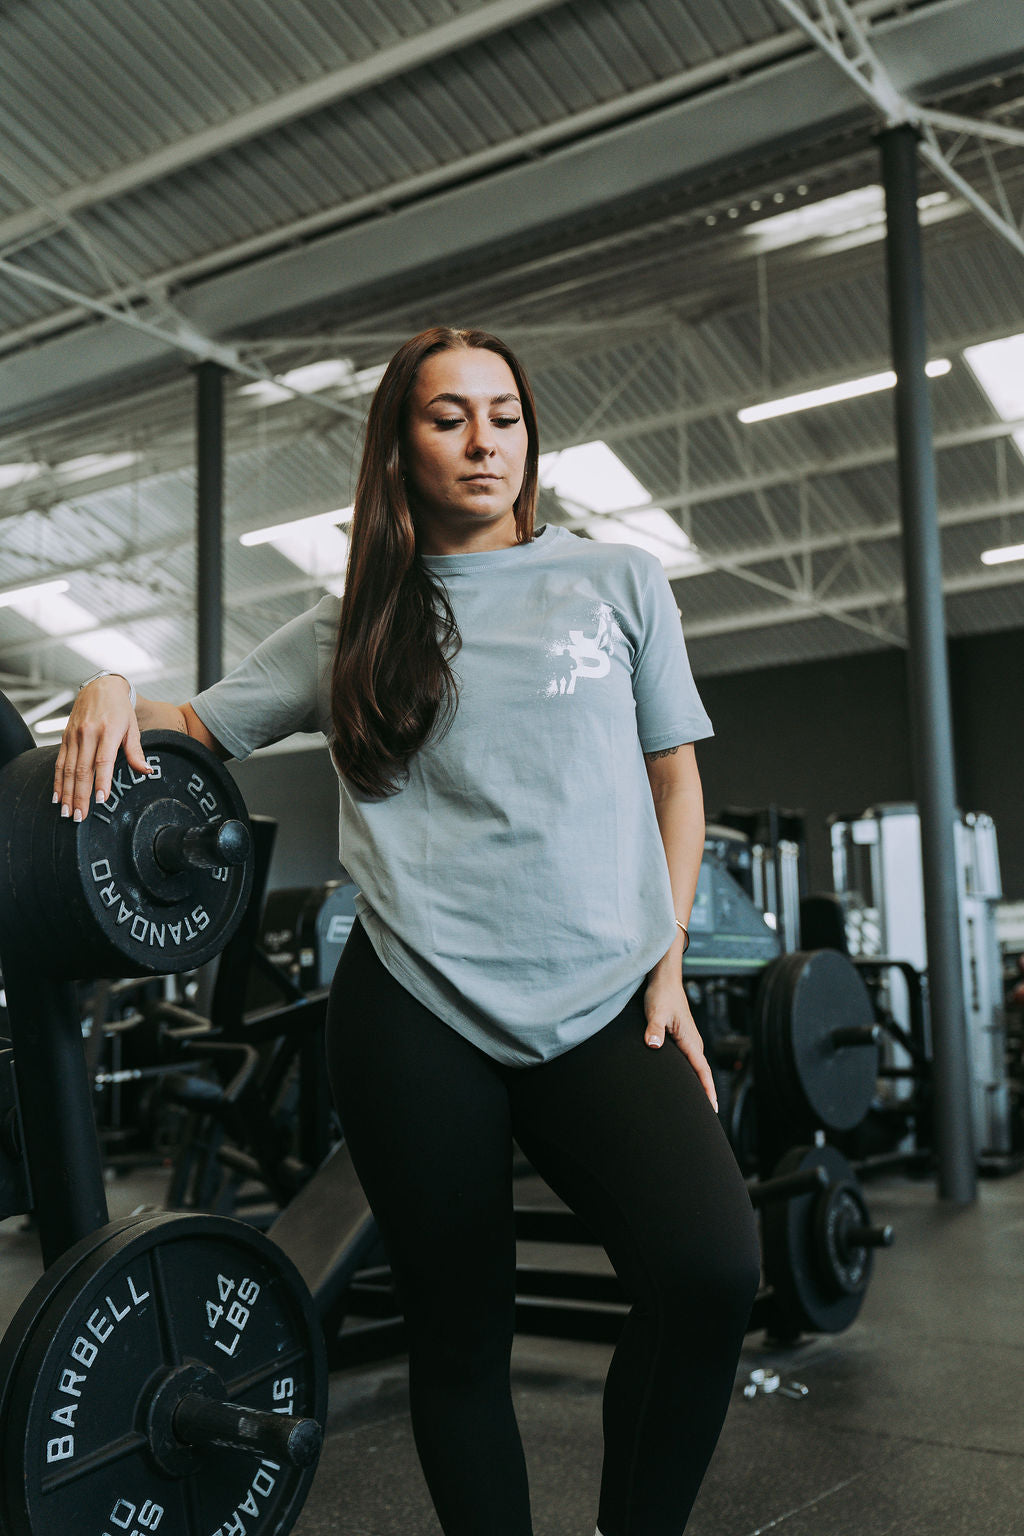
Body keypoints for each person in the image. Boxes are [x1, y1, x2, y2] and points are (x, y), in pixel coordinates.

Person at [55, 326, 761, 1536]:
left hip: (604, 998)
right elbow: (191, 731)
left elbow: (674, 782)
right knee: (460, 1328)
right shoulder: (352, 627)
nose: (484, 440)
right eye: (448, 417)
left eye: (504, 414)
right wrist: (110, 686)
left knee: (709, 1274)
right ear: (399, 446)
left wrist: (669, 962)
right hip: (415, 1014)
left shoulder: (618, 581)